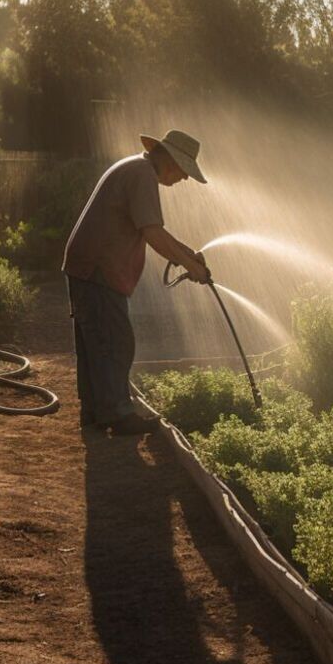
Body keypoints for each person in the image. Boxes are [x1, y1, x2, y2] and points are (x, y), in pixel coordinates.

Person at [61, 130, 212, 435]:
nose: (183, 179)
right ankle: (116, 414)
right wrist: (189, 266)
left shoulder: (135, 168)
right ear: (170, 159)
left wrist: (188, 254)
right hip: (98, 268)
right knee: (115, 342)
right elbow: (152, 233)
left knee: (97, 342)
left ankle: (95, 412)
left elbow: (152, 230)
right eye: (184, 171)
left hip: (88, 266)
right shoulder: (142, 175)